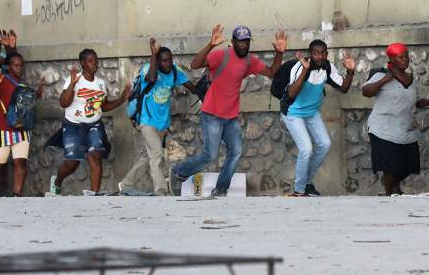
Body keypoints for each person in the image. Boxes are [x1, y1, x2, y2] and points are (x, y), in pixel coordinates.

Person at [169, 24, 287, 197]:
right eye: (240, 42)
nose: (243, 45)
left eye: (246, 42)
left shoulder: (249, 61)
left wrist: (279, 53)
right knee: (211, 155)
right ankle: (179, 171)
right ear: (233, 42)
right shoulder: (221, 55)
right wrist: (211, 44)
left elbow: (271, 72)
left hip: (231, 116)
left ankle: (221, 190)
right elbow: (195, 64)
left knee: (236, 152)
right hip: (212, 113)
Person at [361, 43, 429, 196]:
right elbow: (366, 92)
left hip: (403, 129)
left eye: (406, 56)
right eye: (400, 57)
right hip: (382, 129)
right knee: (391, 166)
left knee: (410, 164)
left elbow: (414, 102)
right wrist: (384, 80)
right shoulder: (381, 74)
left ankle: (391, 188)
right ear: (392, 59)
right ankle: (391, 192)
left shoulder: (410, 78)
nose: (405, 60)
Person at [120, 38, 195, 196]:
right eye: (163, 61)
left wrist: (207, 86)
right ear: (157, 61)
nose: (167, 64)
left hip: (162, 123)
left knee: (151, 155)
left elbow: (192, 88)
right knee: (157, 155)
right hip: (146, 120)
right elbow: (151, 79)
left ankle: (126, 183)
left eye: (169, 60)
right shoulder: (149, 68)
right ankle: (161, 191)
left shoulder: (174, 71)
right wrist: (153, 54)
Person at [50, 49, 130, 195]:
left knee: (95, 156)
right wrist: (72, 85)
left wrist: (121, 99)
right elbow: (63, 103)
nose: (95, 64)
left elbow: (103, 106)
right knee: (72, 162)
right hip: (73, 125)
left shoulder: (100, 83)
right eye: (91, 61)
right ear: (83, 63)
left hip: (94, 125)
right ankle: (57, 181)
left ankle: (93, 195)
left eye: (96, 60)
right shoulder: (74, 80)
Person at [281, 40, 355, 196]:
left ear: (326, 54)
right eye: (316, 53)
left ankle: (307, 183)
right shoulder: (299, 67)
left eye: (323, 53)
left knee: (324, 144)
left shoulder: (327, 67)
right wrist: (305, 71)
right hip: (293, 112)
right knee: (306, 149)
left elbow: (344, 88)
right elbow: (292, 93)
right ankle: (299, 190)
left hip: (312, 112)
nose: (320, 56)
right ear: (310, 54)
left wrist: (350, 72)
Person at [0, 53, 43, 197]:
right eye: (16, 65)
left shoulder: (23, 84)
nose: (19, 68)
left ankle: (17, 194)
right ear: (9, 66)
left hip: (21, 128)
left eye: (21, 65)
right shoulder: (3, 80)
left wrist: (36, 94)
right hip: (2, 128)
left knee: (20, 162)